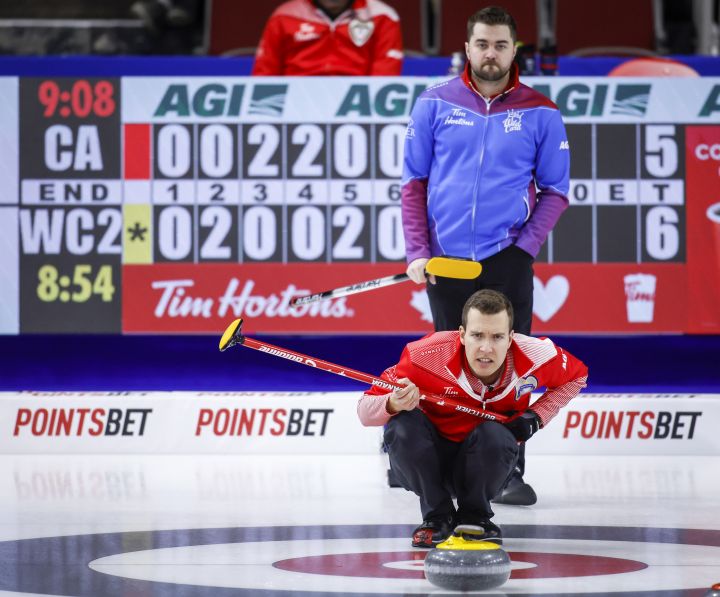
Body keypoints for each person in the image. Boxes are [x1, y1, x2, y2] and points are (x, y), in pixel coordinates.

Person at [400, 6, 571, 505]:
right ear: (467, 49)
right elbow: (413, 184)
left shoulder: (541, 110)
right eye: (482, 44)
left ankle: (508, 470)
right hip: (446, 260)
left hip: (506, 258)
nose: (490, 54)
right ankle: (441, 468)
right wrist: (419, 251)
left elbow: (556, 191)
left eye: (500, 45)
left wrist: (523, 249)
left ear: (514, 50)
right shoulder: (433, 103)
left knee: (510, 363)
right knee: (446, 364)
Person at [357, 289, 587, 547]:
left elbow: (577, 377)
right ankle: (437, 517)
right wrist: (392, 403)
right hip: (433, 463)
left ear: (511, 338)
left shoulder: (538, 355)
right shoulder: (424, 356)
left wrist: (536, 416)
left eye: (497, 337)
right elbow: (365, 410)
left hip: (486, 461)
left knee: (497, 435)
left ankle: (476, 516)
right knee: (402, 426)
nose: (486, 348)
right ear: (462, 335)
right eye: (477, 335)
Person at [252, 0, 403, 76]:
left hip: (358, 107)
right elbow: (264, 77)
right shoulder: (284, 16)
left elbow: (384, 79)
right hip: (294, 105)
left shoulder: (382, 16)